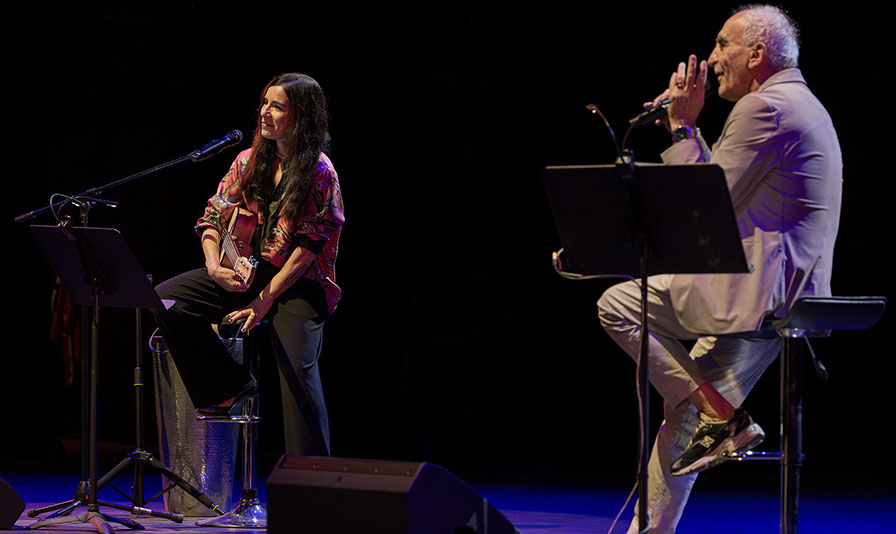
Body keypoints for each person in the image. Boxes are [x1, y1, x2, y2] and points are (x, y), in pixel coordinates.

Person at [597, 5, 842, 532]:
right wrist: (686, 134)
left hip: (759, 297)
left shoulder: (765, 107)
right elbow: (724, 188)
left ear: (757, 53)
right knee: (680, 413)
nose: (711, 58)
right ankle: (716, 413)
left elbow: (702, 208)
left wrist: (683, 127)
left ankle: (721, 417)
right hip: (767, 287)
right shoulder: (796, 103)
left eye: (722, 44)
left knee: (619, 307)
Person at [151, 72, 344, 456]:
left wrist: (264, 300)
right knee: (165, 300)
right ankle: (229, 386)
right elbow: (212, 216)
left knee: (297, 369)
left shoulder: (320, 171)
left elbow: (309, 247)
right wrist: (214, 266)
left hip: (301, 281)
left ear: (301, 117)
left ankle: (311, 478)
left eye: (277, 106)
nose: (264, 113)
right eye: (264, 103)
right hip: (252, 272)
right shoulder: (248, 161)